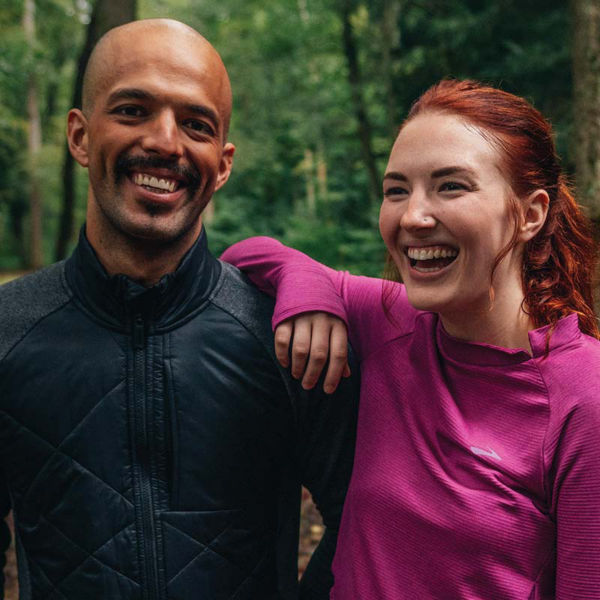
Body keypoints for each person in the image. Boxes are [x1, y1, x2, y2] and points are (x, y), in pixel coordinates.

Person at [0, 19, 358, 600]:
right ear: (79, 137)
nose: (166, 142)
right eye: (133, 110)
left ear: (222, 162)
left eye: (196, 124)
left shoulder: (290, 336)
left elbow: (363, 524)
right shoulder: (8, 330)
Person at [222, 79, 600, 599]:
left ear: (531, 214)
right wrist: (310, 293)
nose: (413, 217)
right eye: (396, 190)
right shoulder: (389, 321)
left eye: (451, 186)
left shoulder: (584, 397)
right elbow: (250, 254)